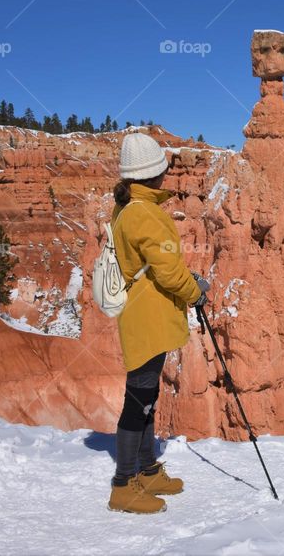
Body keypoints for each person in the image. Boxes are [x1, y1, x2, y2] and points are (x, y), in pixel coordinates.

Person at [106, 132, 210, 514]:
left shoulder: (129, 208)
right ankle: (123, 485)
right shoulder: (144, 214)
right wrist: (195, 292)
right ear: (153, 174)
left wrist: (186, 280)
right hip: (147, 317)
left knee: (147, 396)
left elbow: (157, 265)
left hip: (146, 313)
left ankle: (147, 470)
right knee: (138, 399)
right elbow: (167, 271)